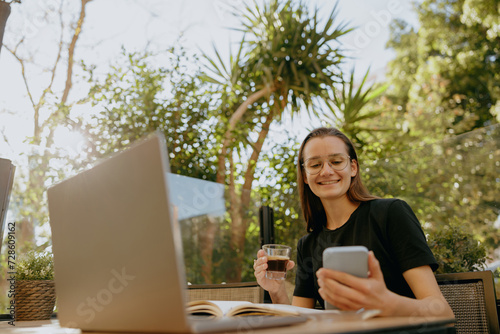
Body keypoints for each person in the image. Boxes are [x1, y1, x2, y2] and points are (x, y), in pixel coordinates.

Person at [253, 127, 453, 317]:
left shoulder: (391, 214)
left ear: (353, 168)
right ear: (305, 175)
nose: (326, 171)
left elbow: (442, 311)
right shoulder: (308, 245)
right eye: (315, 165)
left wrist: (386, 302)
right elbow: (299, 322)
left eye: (337, 161)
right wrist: (276, 290)